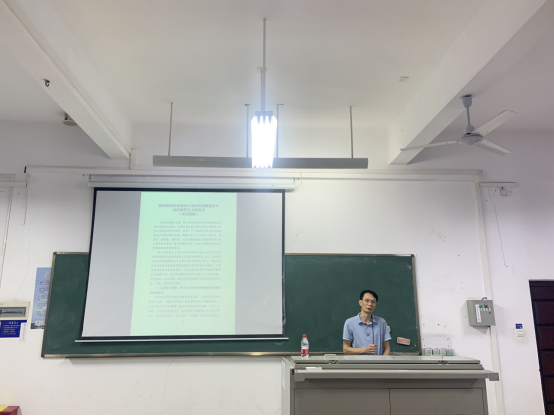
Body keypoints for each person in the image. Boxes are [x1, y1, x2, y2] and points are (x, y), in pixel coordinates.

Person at [343, 290, 391, 355]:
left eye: (373, 302)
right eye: (367, 301)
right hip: (357, 361)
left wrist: (382, 361)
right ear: (360, 302)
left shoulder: (381, 322)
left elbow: (387, 348)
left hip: (377, 361)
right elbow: (346, 350)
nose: (370, 304)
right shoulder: (350, 323)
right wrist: (365, 350)